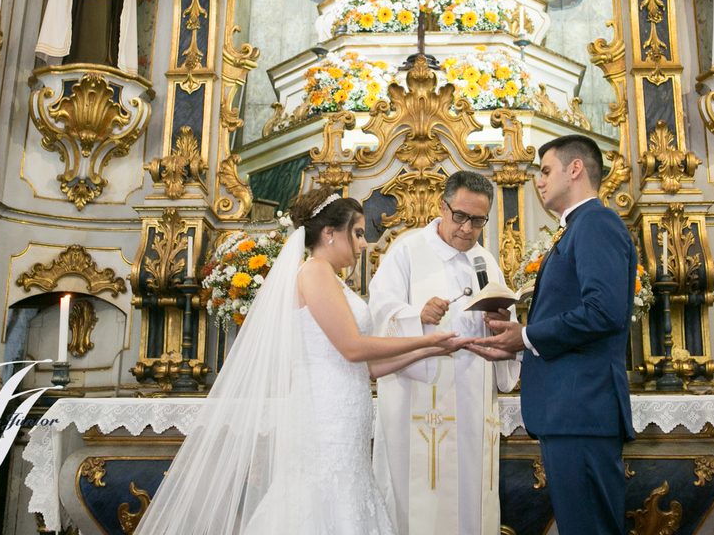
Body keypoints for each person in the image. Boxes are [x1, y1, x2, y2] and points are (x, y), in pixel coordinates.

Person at [132, 188, 467, 535]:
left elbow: (366, 368)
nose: (364, 243)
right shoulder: (315, 272)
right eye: (356, 232)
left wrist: (429, 350)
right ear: (329, 233)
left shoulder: (334, 281)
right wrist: (425, 337)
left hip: (344, 414)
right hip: (325, 418)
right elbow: (352, 348)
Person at [471, 134, 637, 535]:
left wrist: (526, 337)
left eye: (546, 171)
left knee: (591, 528)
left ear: (575, 168)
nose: (539, 181)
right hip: (571, 409)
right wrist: (518, 344)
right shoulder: (577, 227)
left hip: (581, 408)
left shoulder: (596, 222)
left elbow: (604, 312)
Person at [369, 172, 521, 535]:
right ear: (443, 207)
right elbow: (380, 312)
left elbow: (505, 331)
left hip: (473, 404)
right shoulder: (406, 251)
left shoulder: (486, 261)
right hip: (417, 406)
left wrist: (500, 322)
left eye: (479, 221)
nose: (468, 229)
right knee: (417, 501)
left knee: (471, 498)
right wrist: (416, 317)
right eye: (460, 217)